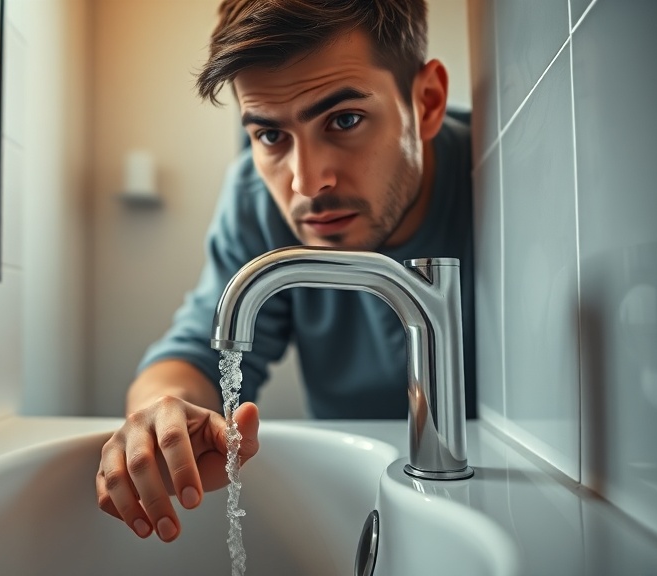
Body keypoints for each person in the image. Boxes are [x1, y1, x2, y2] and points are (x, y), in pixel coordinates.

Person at [96, 0, 475, 544]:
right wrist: (160, 415)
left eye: (344, 120)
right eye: (270, 136)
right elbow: (196, 356)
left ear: (427, 101)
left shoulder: (501, 177)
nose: (306, 182)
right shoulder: (256, 201)